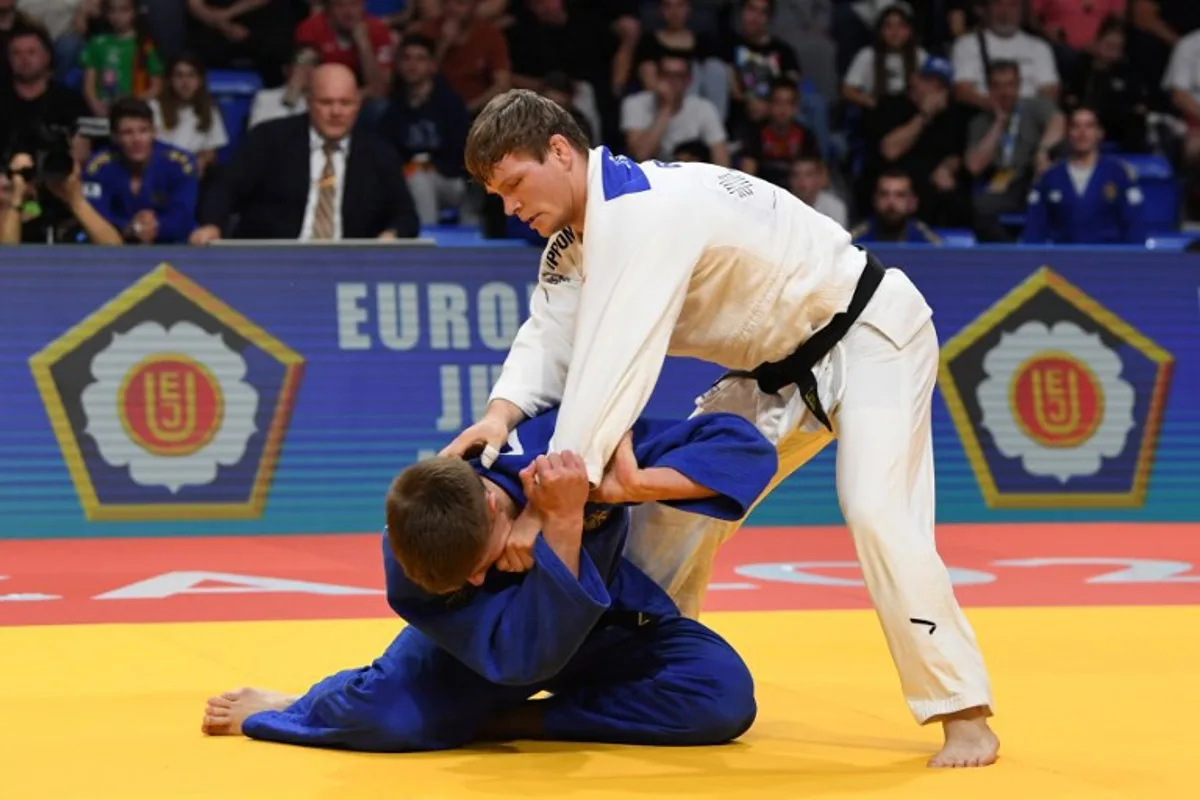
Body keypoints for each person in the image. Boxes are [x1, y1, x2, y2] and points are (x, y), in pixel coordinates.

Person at [444, 89, 999, 769]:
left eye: (513, 185)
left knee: (877, 509)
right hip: (773, 371)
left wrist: (547, 503)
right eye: (496, 195)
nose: (509, 207)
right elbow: (553, 335)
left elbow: (614, 358)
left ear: (559, 152)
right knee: (662, 521)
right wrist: (500, 414)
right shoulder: (575, 242)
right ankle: (656, 677)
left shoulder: (643, 213)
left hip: (869, 333)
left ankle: (963, 712)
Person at [200, 407, 774, 750]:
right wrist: (563, 524)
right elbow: (524, 659)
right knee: (384, 719)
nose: (476, 579)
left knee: (720, 697)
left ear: (494, 506)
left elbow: (745, 448)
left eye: (480, 562)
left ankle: (503, 722)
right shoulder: (412, 543)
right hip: (484, 651)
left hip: (611, 625)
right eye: (462, 579)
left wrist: (628, 486)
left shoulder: (564, 449)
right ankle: (294, 704)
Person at [1022, 107, 1146, 245]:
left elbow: (1135, 228)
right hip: (1063, 256)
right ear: (1068, 133)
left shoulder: (1118, 174)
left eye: (1089, 126)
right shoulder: (1050, 178)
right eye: (1076, 126)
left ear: (1099, 133)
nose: (1082, 133)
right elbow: (1034, 232)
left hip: (1107, 255)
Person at [82, 98, 199, 244]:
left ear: (154, 132)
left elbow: (183, 217)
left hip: (172, 246)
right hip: (114, 247)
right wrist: (128, 227)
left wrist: (157, 226)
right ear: (114, 137)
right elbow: (94, 217)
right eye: (127, 132)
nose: (137, 140)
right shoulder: (98, 167)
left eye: (143, 131)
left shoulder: (180, 163)